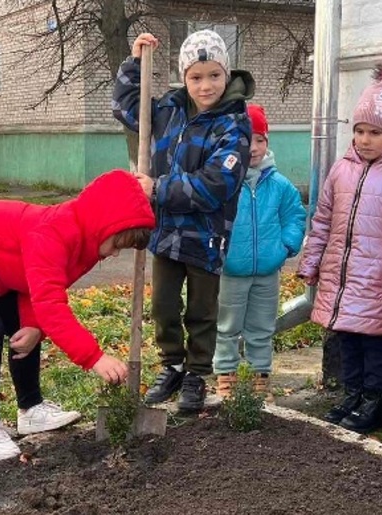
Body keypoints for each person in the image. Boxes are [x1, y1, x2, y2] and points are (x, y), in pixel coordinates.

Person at [0, 169, 156, 461]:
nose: (114, 254)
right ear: (103, 224)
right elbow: (51, 306)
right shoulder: (54, 234)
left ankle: (30, 408)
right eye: (117, 244)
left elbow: (36, 285)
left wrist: (34, 325)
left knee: (24, 327)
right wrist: (94, 358)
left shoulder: (86, 245)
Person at [112, 29, 254, 412]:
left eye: (213, 75)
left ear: (226, 75)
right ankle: (172, 363)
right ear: (183, 77)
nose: (205, 85)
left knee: (202, 311)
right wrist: (135, 61)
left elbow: (216, 185)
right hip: (166, 234)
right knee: (163, 306)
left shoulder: (234, 124)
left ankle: (196, 373)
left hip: (207, 236)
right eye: (195, 76)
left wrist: (155, 190)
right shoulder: (170, 110)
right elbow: (126, 106)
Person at [296, 57, 382, 434]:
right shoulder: (343, 167)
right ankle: (352, 394)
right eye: (359, 131)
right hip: (341, 278)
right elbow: (322, 218)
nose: (364, 140)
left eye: (374, 132)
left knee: (374, 345)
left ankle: (375, 401)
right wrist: (312, 261)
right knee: (347, 342)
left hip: (379, 280)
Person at [213, 103, 306, 400]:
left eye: (260, 139)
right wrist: (218, 250)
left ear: (267, 142)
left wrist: (286, 246)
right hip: (231, 271)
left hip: (267, 271)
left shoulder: (280, 186)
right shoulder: (223, 183)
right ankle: (226, 376)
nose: (252, 147)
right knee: (226, 327)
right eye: (245, 139)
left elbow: (295, 217)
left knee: (262, 328)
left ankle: (259, 380)